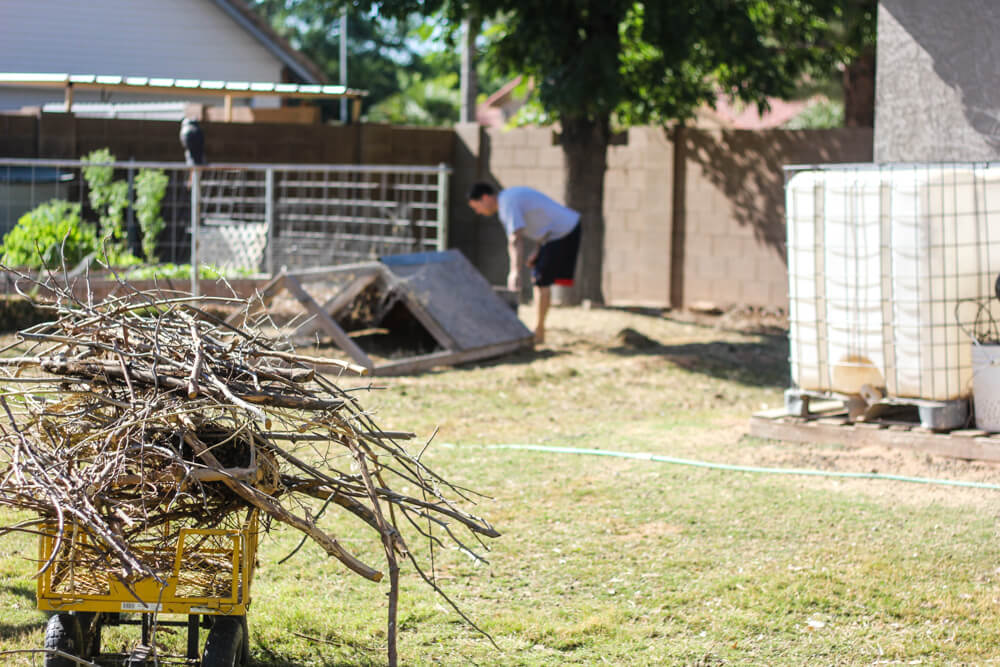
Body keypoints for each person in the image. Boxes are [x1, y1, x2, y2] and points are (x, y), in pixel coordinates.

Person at [467, 182, 581, 344]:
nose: (478, 212)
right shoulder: (509, 197)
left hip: (562, 232)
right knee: (539, 277)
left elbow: (515, 238)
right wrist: (539, 248)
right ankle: (538, 329)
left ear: (485, 198)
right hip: (555, 234)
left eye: (476, 207)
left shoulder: (507, 202)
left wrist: (515, 271)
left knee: (541, 280)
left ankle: (539, 332)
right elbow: (543, 218)